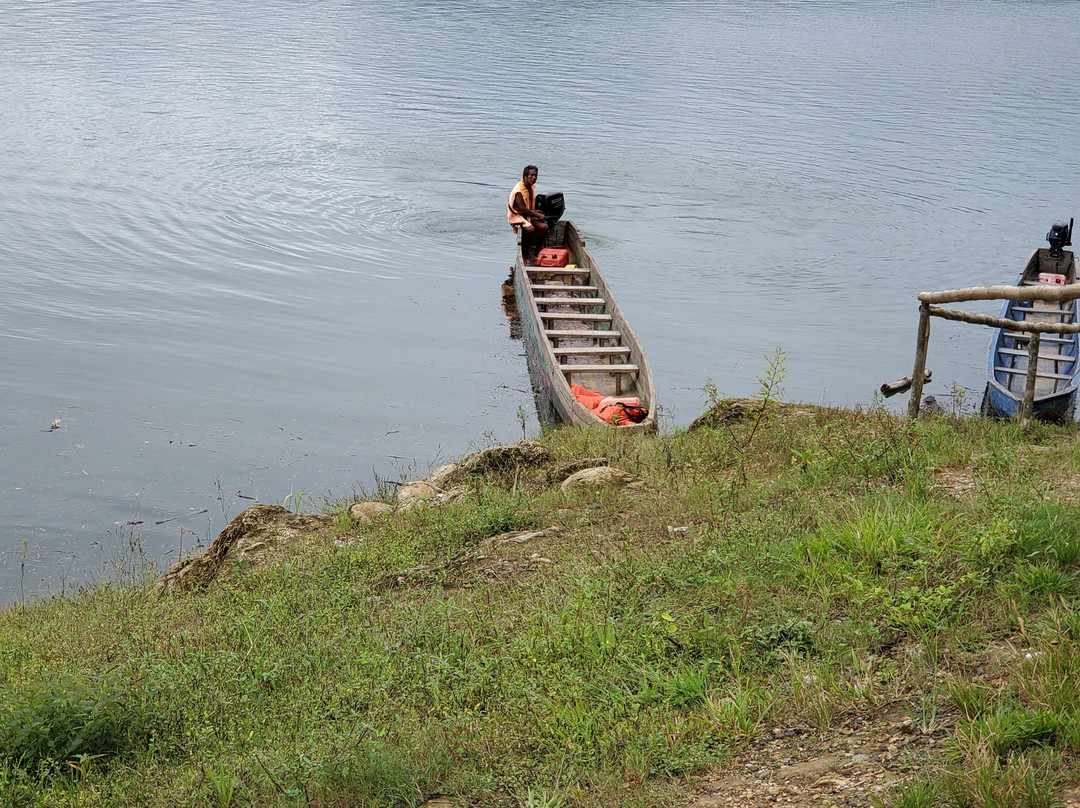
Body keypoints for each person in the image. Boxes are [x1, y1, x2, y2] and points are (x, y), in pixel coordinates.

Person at [507, 165, 548, 262]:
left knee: (544, 227)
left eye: (536, 176)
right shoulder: (518, 191)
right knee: (530, 229)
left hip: (526, 215)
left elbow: (528, 208)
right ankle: (525, 253)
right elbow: (523, 209)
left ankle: (537, 251)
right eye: (532, 175)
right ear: (525, 177)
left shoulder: (529, 187)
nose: (534, 178)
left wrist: (536, 212)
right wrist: (537, 215)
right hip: (517, 216)